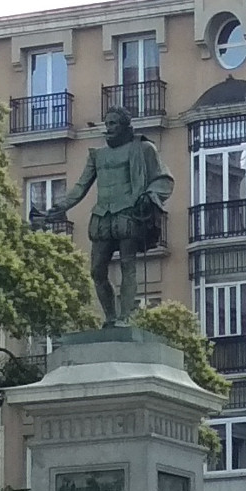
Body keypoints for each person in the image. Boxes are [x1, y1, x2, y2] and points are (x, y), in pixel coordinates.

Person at [47, 106, 174, 326]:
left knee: (128, 265)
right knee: (97, 270)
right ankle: (111, 317)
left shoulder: (143, 148)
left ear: (125, 126)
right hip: (102, 215)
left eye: (114, 123)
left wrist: (150, 195)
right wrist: (59, 207)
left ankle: (125, 317)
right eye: (107, 124)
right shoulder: (97, 155)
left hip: (128, 212)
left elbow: (163, 179)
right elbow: (80, 186)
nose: (109, 128)